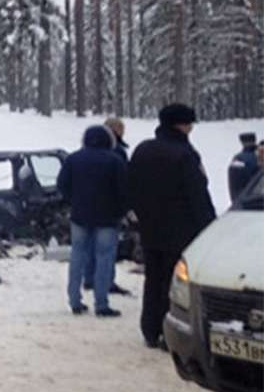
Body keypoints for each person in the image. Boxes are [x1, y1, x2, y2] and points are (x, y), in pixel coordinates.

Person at [129, 103, 217, 349]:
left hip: (150, 228)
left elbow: (131, 187)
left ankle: (150, 328)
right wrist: (210, 227)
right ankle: (170, 333)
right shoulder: (185, 155)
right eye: (189, 124)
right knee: (173, 283)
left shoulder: (143, 150)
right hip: (181, 230)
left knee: (153, 279)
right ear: (182, 125)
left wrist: (140, 217)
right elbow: (197, 195)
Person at [57, 125, 128, 317]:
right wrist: (120, 212)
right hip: (107, 218)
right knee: (104, 258)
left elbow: (62, 185)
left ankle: (74, 300)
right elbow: (124, 190)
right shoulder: (115, 160)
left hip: (80, 215)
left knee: (77, 256)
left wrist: (74, 201)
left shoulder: (73, 159)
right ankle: (101, 303)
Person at [228, 132, 259, 202]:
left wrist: (236, 201)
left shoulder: (239, 158)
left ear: (242, 142)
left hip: (247, 198)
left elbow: (234, 183)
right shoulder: (259, 155)